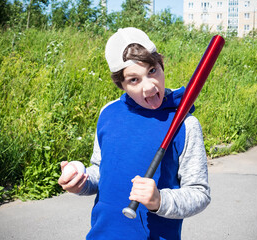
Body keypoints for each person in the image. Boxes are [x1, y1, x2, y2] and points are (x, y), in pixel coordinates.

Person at [58, 27, 210, 240]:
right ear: (120, 84)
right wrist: (81, 181)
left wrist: (159, 201)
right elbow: (101, 171)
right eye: (134, 80)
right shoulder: (108, 113)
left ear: (161, 65)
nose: (149, 87)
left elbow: (199, 193)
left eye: (152, 71)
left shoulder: (186, 124)